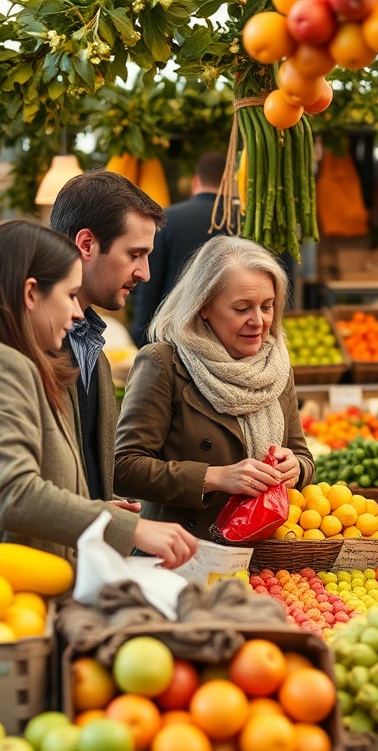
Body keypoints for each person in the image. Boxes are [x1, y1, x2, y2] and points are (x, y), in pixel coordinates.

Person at [0, 219, 197, 571]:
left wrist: (97, 511)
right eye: (70, 295)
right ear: (30, 294)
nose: (77, 313)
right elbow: (13, 494)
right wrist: (132, 528)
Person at [115, 235, 314, 540]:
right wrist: (216, 477)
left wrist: (296, 468)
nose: (258, 321)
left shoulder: (275, 366)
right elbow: (124, 468)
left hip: (262, 557)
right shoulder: (164, 363)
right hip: (183, 554)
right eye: (241, 308)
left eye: (267, 306)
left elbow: (302, 455)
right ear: (204, 307)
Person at [49, 171, 166, 505]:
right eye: (134, 254)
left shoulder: (93, 348)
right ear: (87, 244)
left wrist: (101, 506)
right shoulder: (28, 343)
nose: (145, 273)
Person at [130, 152, 228, 346]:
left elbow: (149, 285)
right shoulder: (249, 221)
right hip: (231, 341)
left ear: (195, 181)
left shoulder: (168, 219)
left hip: (174, 340)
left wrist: (142, 335)